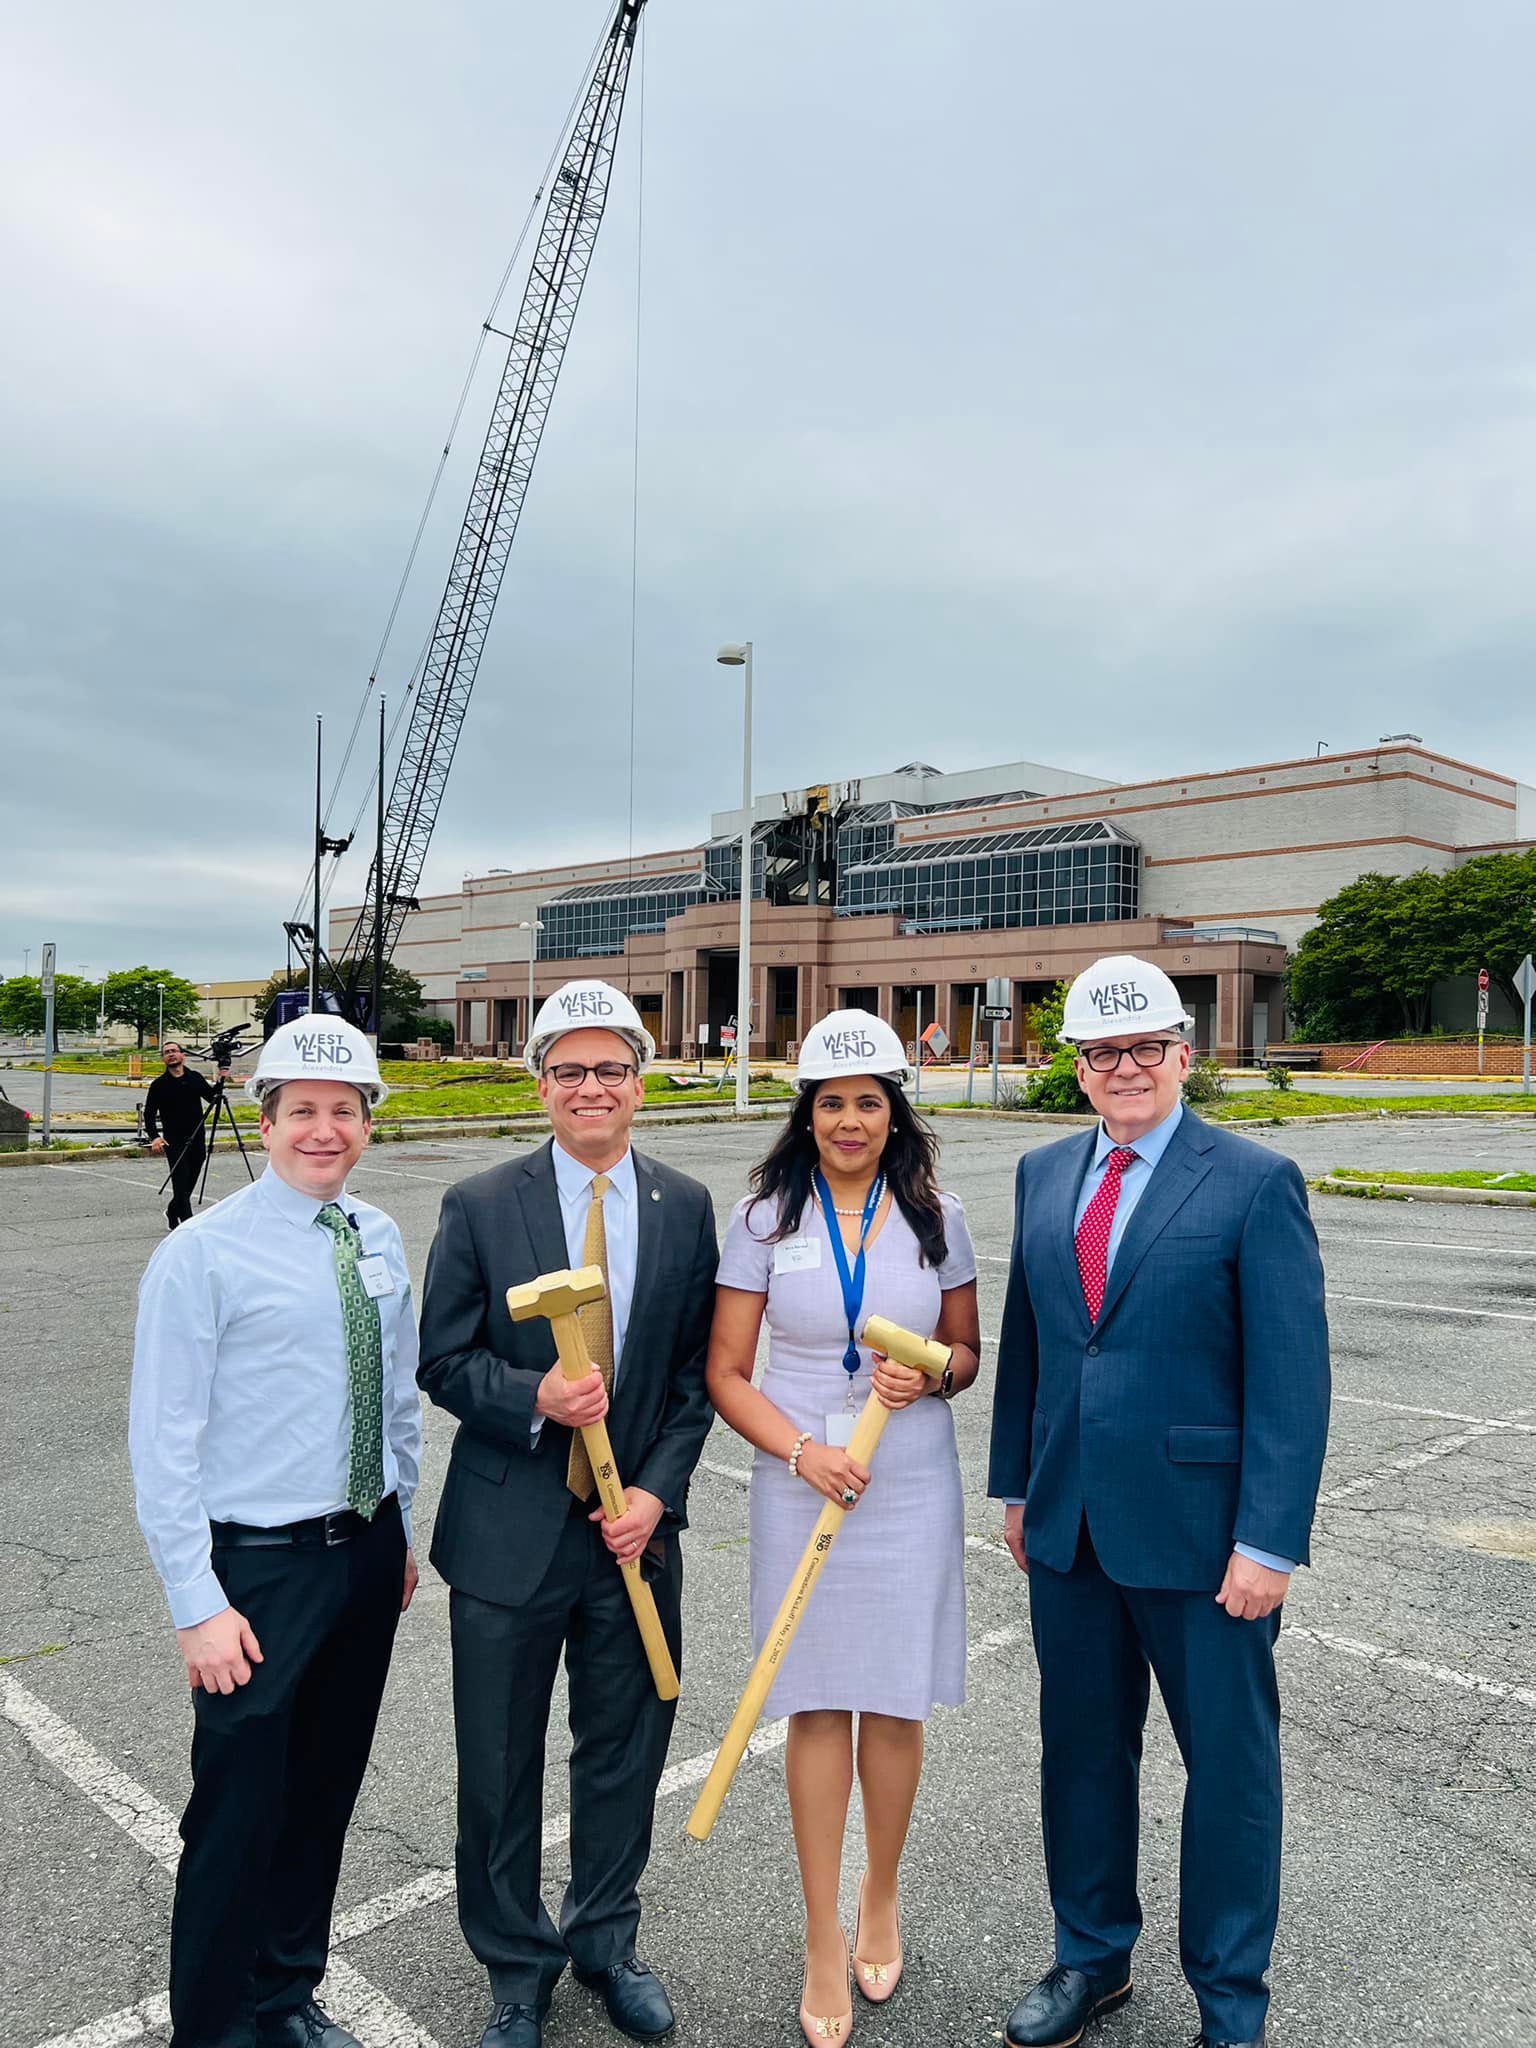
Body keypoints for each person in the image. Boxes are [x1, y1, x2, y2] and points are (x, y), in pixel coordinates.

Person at [988, 955, 1330, 2048]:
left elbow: (1291, 1374)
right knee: (1082, 1753)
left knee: (1227, 1769)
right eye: (1101, 1051)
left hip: (1204, 1538)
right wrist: (1014, 1484)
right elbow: (1033, 1345)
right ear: (1077, 1068)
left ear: (1187, 1053)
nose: (1124, 1067)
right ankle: (1092, 1957)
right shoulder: (1044, 1173)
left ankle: (1231, 2000)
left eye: (1144, 1047)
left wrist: (1268, 1537)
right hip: (1070, 1524)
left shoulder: (1253, 1178)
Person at [418, 978, 718, 2048]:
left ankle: (605, 1938)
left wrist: (656, 1492)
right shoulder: (481, 1203)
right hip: (508, 1532)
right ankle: (516, 1962)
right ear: (541, 1083)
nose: (591, 1087)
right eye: (569, 1070)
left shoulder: (682, 1205)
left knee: (625, 1744)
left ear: (640, 1084)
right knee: (498, 1758)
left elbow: (693, 1378)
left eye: (611, 1069)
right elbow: (441, 1359)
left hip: (630, 1534)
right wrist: (532, 1394)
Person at [129, 1016, 422, 2048]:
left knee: (321, 1795)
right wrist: (196, 1602)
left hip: (366, 1550)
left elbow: (395, 1399)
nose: (325, 1128)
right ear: (268, 1116)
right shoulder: (201, 1254)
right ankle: (211, 2030)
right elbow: (162, 1442)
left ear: (367, 1122)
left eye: (345, 1109)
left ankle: (284, 1992)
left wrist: (401, 1521)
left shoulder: (377, 1236)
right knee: (234, 1817)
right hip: (254, 1571)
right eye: (303, 1109)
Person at [707, 1010, 981, 2046]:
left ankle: (881, 1890)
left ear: (894, 1109)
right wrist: (799, 1451)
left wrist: (935, 1370)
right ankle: (823, 1929)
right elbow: (726, 1371)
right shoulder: (765, 1216)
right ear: (807, 1113)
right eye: (833, 1101)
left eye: (870, 1099)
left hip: (907, 1473)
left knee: (894, 1701)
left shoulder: (936, 1213)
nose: (852, 1118)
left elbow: (967, 1352)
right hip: (800, 1468)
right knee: (817, 1703)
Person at [144, 1039, 228, 1229]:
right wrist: (154, 1136)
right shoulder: (159, 1085)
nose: (171, 1054)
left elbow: (212, 1097)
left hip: (197, 1137)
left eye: (174, 1050)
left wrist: (221, 1078)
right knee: (180, 1182)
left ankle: (173, 1211)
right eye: (167, 1052)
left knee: (189, 1182)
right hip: (174, 1140)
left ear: (182, 1055)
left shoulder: (195, 1077)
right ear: (163, 1059)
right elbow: (149, 1113)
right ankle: (188, 1226)